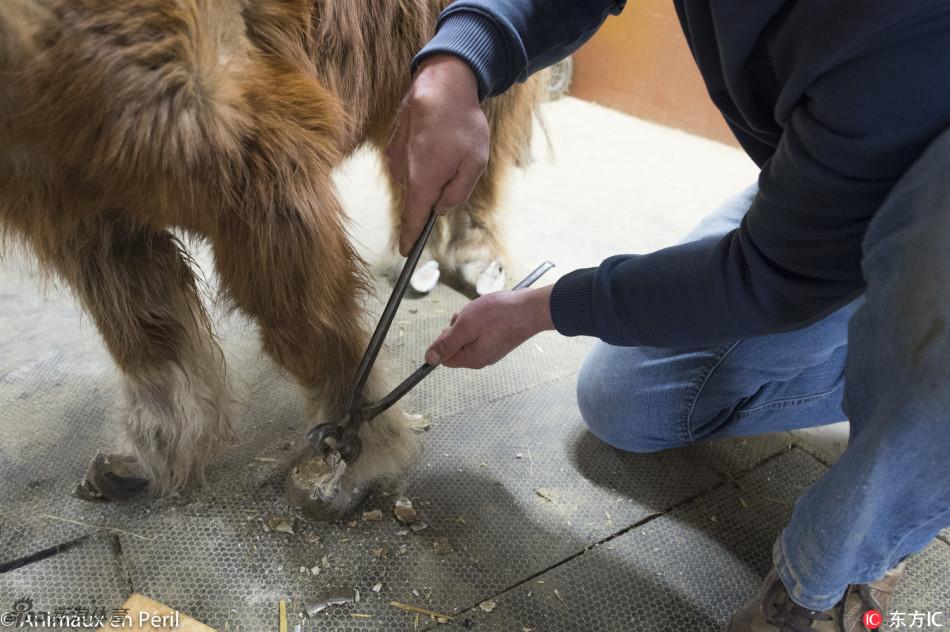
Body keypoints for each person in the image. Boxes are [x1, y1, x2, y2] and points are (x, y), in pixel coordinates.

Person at [385, 1, 950, 630]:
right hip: (842, 182)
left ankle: (827, 581)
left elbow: (762, 280)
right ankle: (887, 358)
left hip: (933, 211)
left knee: (934, 370)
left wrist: (543, 308)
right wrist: (460, 59)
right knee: (629, 399)